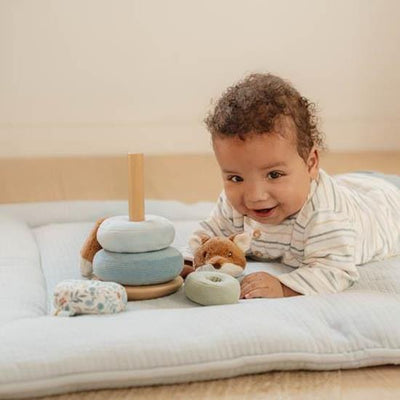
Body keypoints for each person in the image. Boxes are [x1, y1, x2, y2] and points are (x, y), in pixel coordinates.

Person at [191, 73, 400, 299]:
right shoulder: (233, 204)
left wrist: (283, 286)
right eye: (236, 178)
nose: (255, 196)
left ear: (311, 163)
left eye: (274, 174)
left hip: (385, 207)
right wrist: (188, 263)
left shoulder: (324, 216)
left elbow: (334, 271)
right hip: (352, 185)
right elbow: (208, 237)